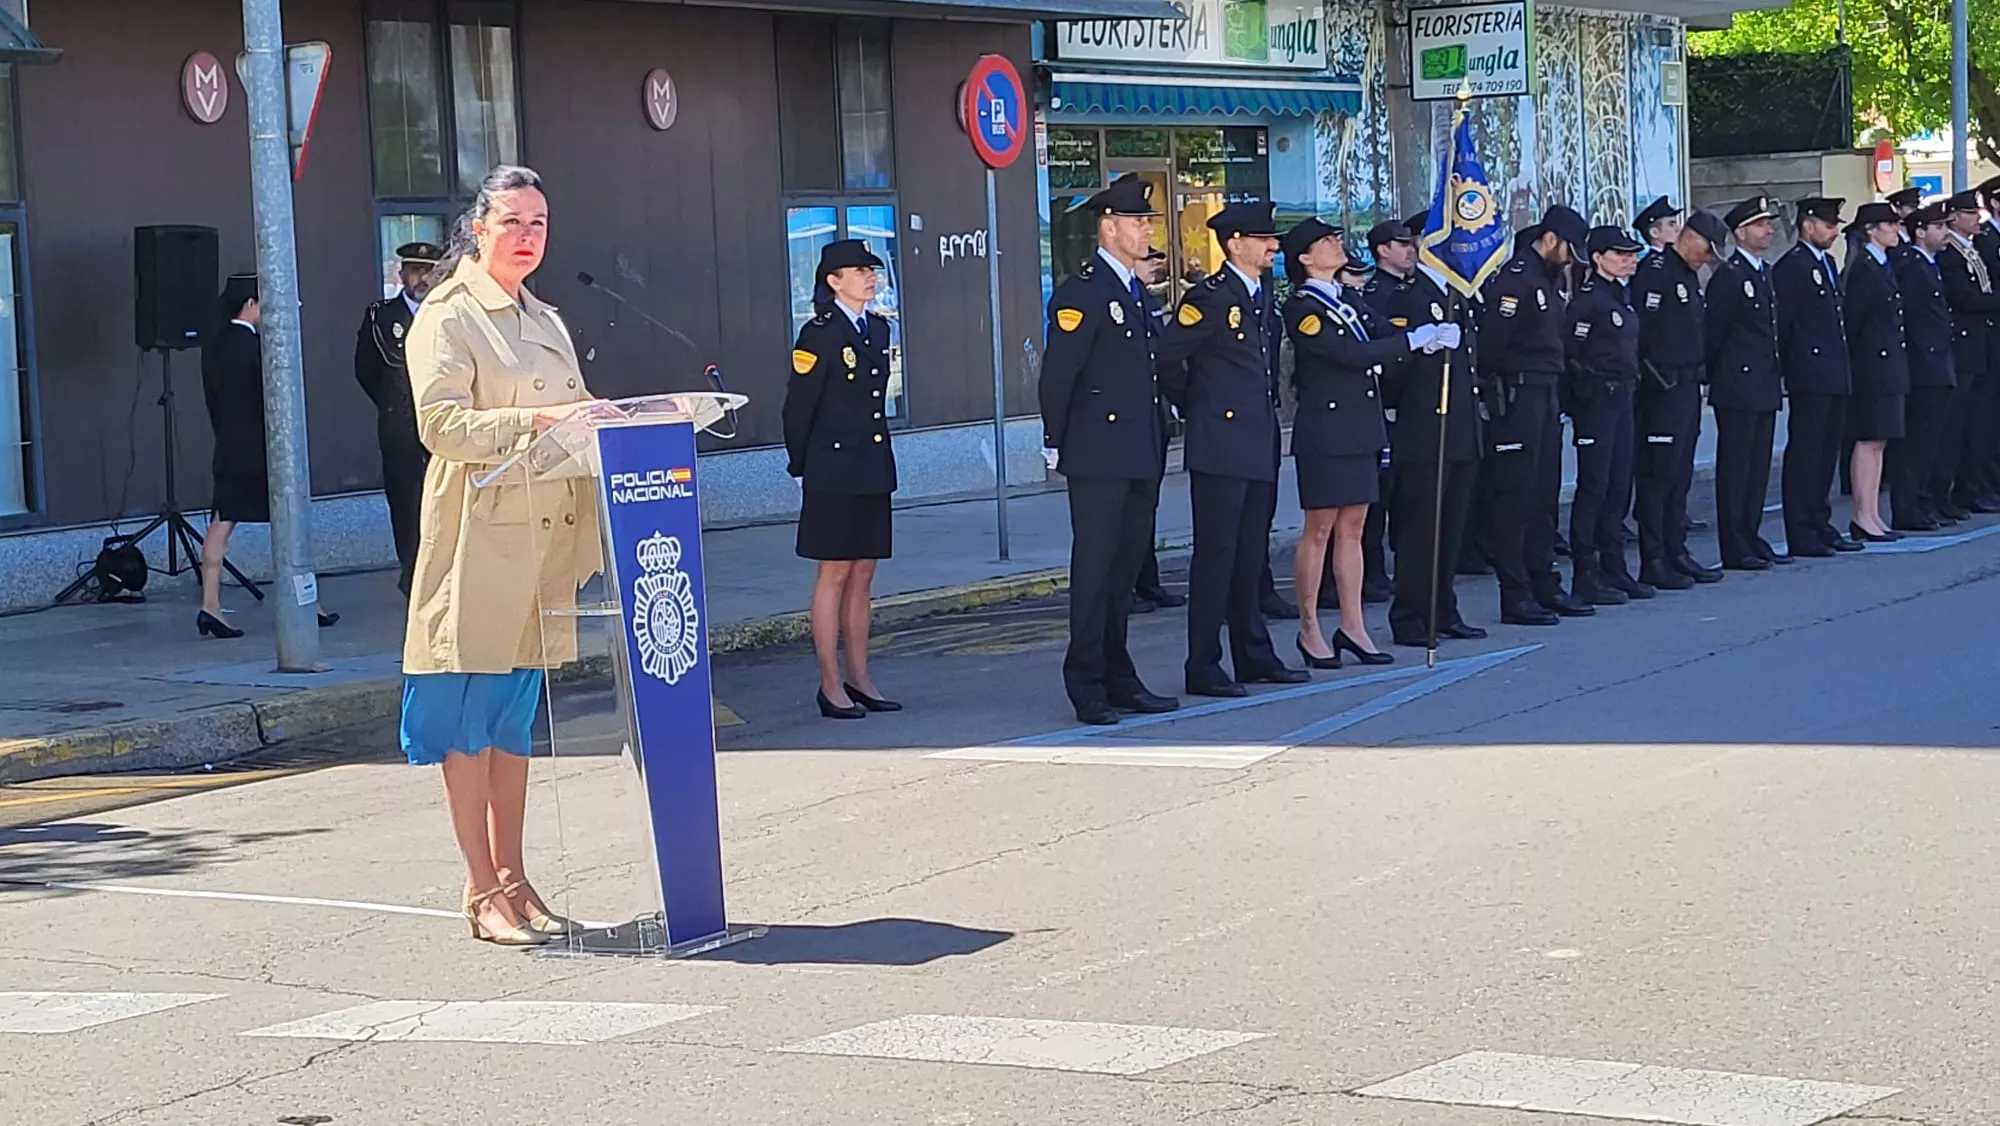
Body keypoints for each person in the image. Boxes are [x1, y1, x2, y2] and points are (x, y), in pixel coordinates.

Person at [401, 164, 605, 947]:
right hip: (480, 544)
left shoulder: (543, 316)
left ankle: (517, 881)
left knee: (514, 722)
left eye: (540, 223)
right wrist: (539, 421)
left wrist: (609, 418)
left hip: (543, 542)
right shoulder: (450, 315)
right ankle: (481, 889)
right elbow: (440, 425)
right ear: (477, 229)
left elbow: (575, 409)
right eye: (513, 222)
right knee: (467, 723)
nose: (528, 237)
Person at [1039, 176, 1178, 726]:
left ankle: (1120, 674)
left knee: (1124, 573)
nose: (1146, 229)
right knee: (1096, 572)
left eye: (1148, 221)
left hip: (1140, 448)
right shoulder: (1084, 291)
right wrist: (1054, 440)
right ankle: (1087, 682)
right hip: (1098, 454)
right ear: (1109, 227)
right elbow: (1059, 377)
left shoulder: (1134, 291)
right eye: (1138, 221)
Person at [1156, 200, 1309, 697]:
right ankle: (1203, 662)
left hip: (1258, 439)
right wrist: (1198, 406)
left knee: (1250, 554)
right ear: (1235, 243)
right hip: (1220, 443)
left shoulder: (1261, 296)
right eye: (1263, 238)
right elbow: (1168, 359)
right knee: (1216, 556)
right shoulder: (1210, 298)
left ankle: (1253, 653)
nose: (1273, 246)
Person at [1282, 218, 1443, 668]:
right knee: (1320, 529)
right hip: (1326, 431)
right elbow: (1346, 354)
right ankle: (1310, 626)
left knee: (1353, 527)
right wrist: (1411, 342)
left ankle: (1353, 625)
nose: (1337, 245)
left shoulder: (1346, 298)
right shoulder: (1303, 307)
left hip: (1360, 427)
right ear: (1305, 258)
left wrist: (1423, 335)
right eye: (1327, 242)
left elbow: (1379, 332)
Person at [784, 238, 901, 721]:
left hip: (871, 464)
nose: (870, 277)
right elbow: (798, 407)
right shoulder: (819, 333)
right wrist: (799, 465)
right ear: (834, 282)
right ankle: (831, 685)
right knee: (833, 572)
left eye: (872, 270)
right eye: (858, 271)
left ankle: (860, 676)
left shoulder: (876, 328)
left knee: (865, 573)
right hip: (831, 467)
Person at [1366, 216, 1487, 648]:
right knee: (1421, 528)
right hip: (1424, 427)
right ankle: (1412, 616)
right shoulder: (1407, 296)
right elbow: (1394, 368)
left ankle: (1443, 608)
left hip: (1459, 426)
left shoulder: (1457, 293)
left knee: (1451, 527)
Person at [196, 274, 338, 639]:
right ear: (250, 305)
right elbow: (273, 398)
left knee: (221, 522)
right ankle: (306, 603)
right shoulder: (254, 348)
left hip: (227, 443)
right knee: (290, 525)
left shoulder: (216, 346)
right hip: (261, 448)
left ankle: (209, 604)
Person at [1476, 204, 1594, 626]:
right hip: (1519, 395)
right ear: (1550, 239)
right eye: (1568, 249)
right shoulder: (1516, 281)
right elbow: (1491, 347)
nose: (1571, 258)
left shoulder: (1544, 279)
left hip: (1545, 394)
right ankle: (1516, 593)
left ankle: (1544, 583)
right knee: (1516, 497)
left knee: (1544, 495)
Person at [1632, 209, 1728, 591]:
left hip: (1687, 387)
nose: (1707, 257)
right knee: (1658, 475)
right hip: (1662, 388)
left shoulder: (1687, 275)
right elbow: (1644, 333)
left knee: (1679, 475)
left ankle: (1676, 549)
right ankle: (1653, 557)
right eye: (1706, 248)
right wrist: (1655, 380)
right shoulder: (1656, 271)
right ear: (1689, 237)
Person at [1564, 226, 1653, 606]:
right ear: (1598, 257)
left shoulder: (1621, 297)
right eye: (1620, 254)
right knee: (1595, 486)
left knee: (1619, 485)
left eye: (1632, 254)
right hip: (1597, 400)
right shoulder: (1588, 300)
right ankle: (1587, 572)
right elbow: (1572, 353)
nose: (1629, 260)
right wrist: (1582, 397)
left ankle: (1615, 568)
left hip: (1622, 398)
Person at [1705, 197, 1788, 570]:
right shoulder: (1731, 274)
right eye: (1760, 225)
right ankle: (1734, 544)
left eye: (1768, 224)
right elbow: (1715, 333)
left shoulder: (1764, 272)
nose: (1768, 230)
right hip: (1738, 384)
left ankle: (1750, 535)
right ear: (1741, 233)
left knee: (1757, 468)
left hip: (1763, 382)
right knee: (1736, 468)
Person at [1776, 196, 1862, 557]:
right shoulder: (1792, 267)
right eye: (1828, 225)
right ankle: (1802, 529)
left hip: (1832, 371)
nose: (1834, 232)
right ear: (1807, 225)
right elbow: (1787, 325)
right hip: (1809, 374)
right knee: (1806, 454)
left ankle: (1819, 520)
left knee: (1826, 452)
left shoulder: (1826, 263)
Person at [355, 241, 442, 598]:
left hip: (445, 427)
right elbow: (366, 371)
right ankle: (413, 578)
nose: (422, 279)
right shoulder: (381, 316)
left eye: (429, 272)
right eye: (415, 270)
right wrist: (395, 405)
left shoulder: (449, 314)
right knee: (407, 505)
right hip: (402, 430)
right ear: (401, 274)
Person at [1840, 202, 1910, 543]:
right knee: (1868, 440)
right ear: (1871, 230)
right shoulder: (1864, 268)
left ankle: (1873, 513)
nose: (1896, 229)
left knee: (1880, 442)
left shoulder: (1883, 265)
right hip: (1871, 365)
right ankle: (1862, 514)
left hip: (1888, 364)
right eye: (1890, 224)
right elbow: (1855, 322)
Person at [1888, 202, 1958, 531]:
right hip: (1922, 364)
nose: (1945, 233)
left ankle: (1924, 501)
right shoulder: (1912, 266)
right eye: (1939, 227)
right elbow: (1911, 319)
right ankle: (1908, 506)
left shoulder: (1931, 264)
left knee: (1932, 440)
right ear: (1920, 231)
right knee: (1916, 441)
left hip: (1938, 362)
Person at [1131, 245, 1186, 615]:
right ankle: (1126, 587)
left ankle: (1147, 581)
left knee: (1146, 506)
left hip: (1153, 418)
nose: (1155, 268)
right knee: (1126, 512)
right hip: (1125, 421)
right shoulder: (1115, 297)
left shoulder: (1146, 301)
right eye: (1149, 261)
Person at [1939, 191, 2000, 517]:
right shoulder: (1951, 254)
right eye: (1970, 214)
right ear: (1954, 219)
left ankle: (1974, 486)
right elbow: (1967, 298)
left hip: (1981, 344)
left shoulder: (1971, 250)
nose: (1977, 218)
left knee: (1980, 422)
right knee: (1962, 424)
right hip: (1965, 346)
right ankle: (1962, 489)